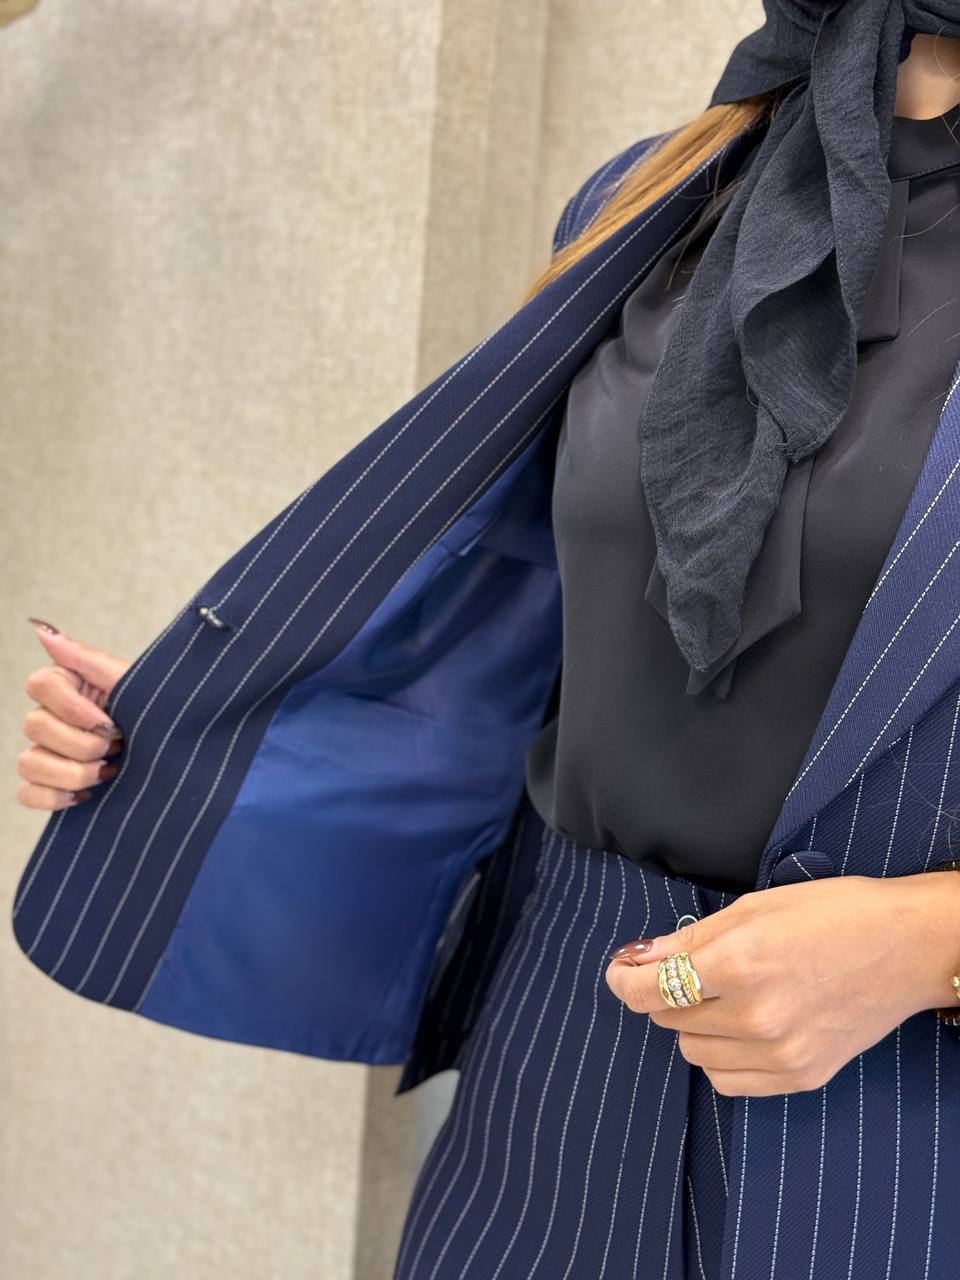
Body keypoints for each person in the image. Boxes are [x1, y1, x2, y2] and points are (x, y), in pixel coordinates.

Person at [13, 4, 960, 1277]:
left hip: (908, 1119)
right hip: (554, 1067)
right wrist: (206, 715)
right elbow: (538, 633)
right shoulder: (649, 202)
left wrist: (928, 946)